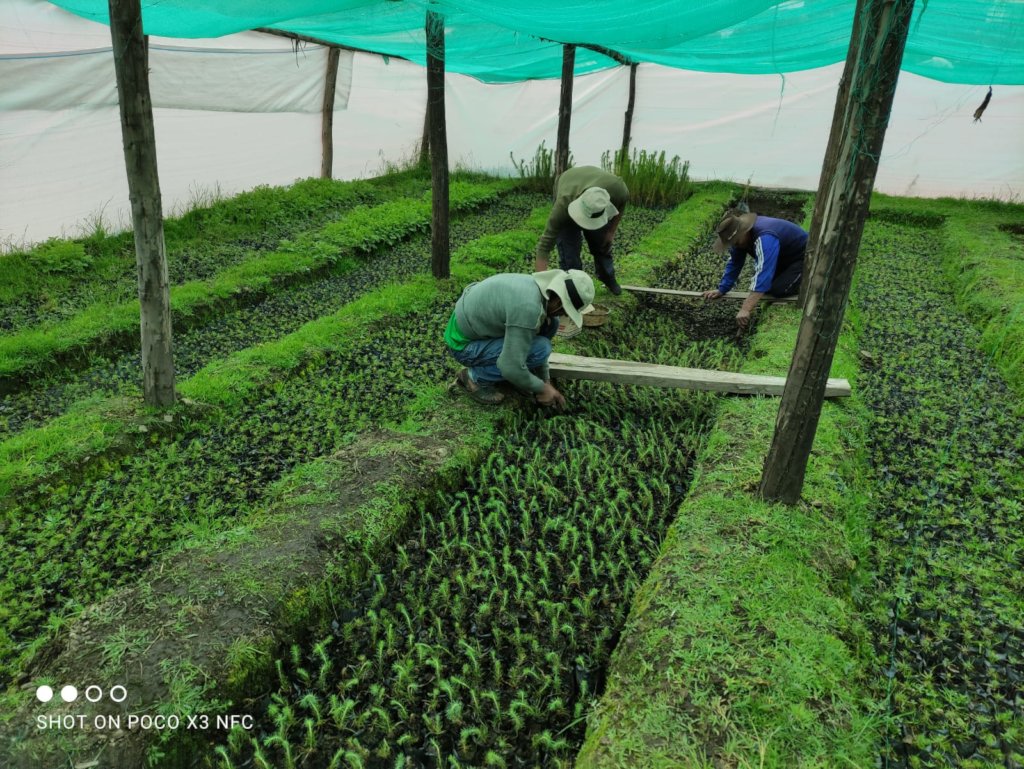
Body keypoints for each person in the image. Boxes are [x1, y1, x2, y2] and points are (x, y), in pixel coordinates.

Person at [445, 269, 595, 406]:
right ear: (558, 302)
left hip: (477, 329)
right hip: (463, 345)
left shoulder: (538, 292)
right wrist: (542, 388)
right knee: (540, 348)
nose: (563, 316)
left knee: (551, 325)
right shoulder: (528, 309)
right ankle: (474, 377)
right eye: (565, 312)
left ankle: (524, 378)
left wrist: (545, 380)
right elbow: (509, 366)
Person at [702, 210, 808, 329]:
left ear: (744, 231)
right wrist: (722, 289)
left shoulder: (765, 237)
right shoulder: (740, 240)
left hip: (804, 258)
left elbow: (764, 272)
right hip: (783, 258)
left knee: (777, 290)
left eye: (735, 241)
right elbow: (734, 263)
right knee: (766, 289)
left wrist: (745, 308)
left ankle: (809, 282)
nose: (734, 245)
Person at [533, 166, 628, 296]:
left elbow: (622, 204)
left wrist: (611, 232)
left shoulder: (617, 189)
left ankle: (608, 277)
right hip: (567, 184)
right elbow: (544, 247)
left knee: (602, 245)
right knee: (569, 252)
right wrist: (541, 287)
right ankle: (574, 290)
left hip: (590, 183)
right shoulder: (563, 205)